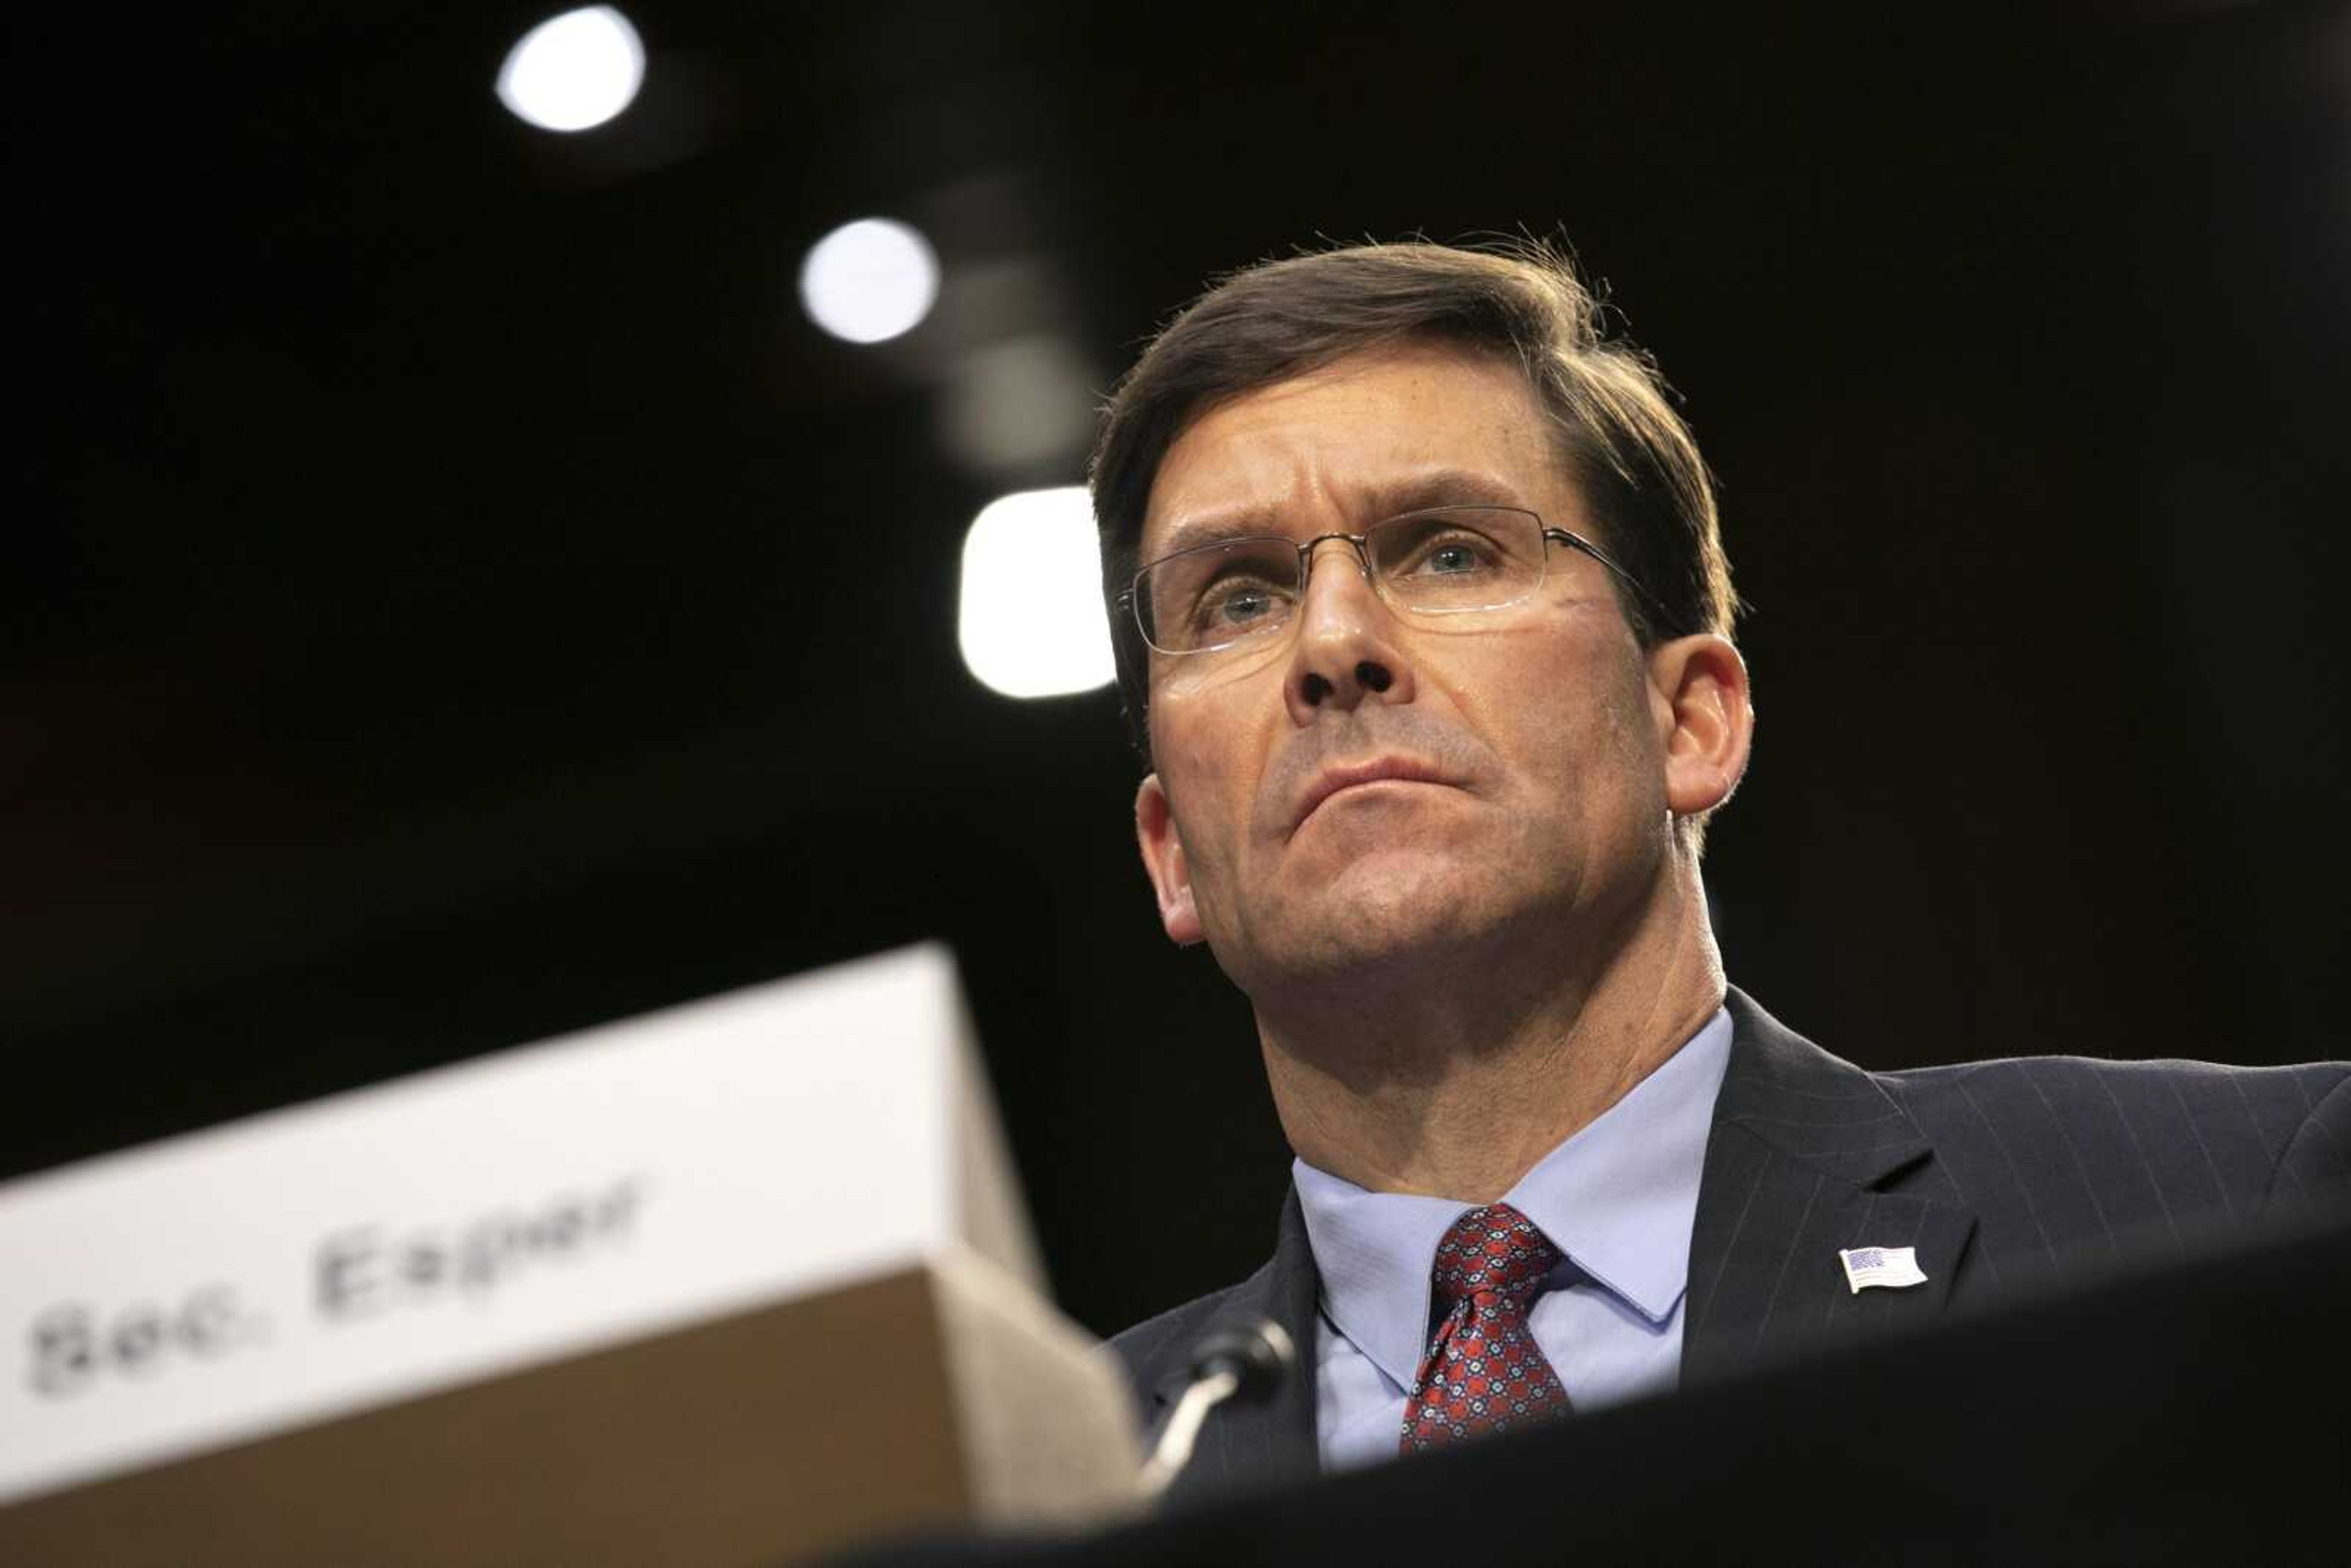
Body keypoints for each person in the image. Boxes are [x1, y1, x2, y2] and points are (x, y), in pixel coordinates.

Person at [1087, 240, 2351, 1502]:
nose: (1335, 641)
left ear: (1691, 720)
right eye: (1237, 600)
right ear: (1172, 852)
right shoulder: (1050, 1486)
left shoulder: (2238, 1205)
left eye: (1451, 552)